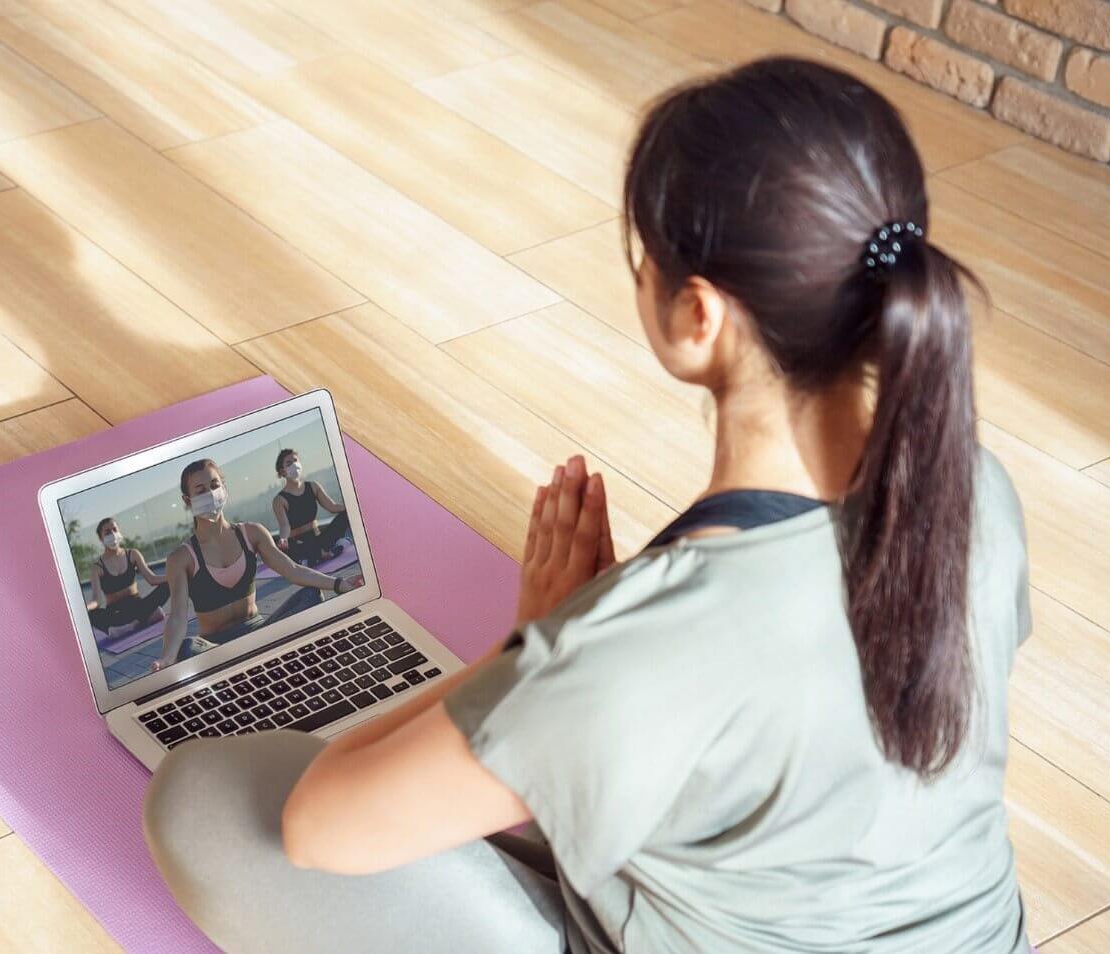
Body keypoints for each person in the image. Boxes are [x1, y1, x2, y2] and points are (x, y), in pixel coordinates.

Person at [142, 57, 1032, 954]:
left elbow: (319, 828)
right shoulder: (970, 493)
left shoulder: (642, 643)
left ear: (697, 316)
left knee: (208, 803)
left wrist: (534, 644)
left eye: (641, 257)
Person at [150, 458, 365, 672]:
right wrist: (167, 657)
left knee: (311, 595)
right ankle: (268, 665)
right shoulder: (181, 558)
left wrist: (339, 583)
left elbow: (293, 570)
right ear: (187, 501)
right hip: (217, 650)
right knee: (187, 647)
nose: (210, 493)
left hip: (261, 632)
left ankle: (270, 663)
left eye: (215, 485)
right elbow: (177, 615)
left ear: (224, 489)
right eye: (200, 490)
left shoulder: (251, 533)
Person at [85, 518, 168, 635]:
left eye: (114, 529)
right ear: (100, 538)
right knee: (91, 614)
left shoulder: (132, 554)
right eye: (107, 532)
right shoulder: (97, 567)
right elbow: (96, 601)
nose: (112, 534)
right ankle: (145, 618)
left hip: (138, 606)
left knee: (168, 584)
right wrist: (85, 608)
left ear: (119, 531)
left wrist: (174, 576)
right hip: (116, 612)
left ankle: (128, 625)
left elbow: (152, 579)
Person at [271, 448, 352, 565]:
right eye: (289, 463)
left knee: (345, 515)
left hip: (319, 538)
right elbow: (284, 526)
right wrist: (283, 539)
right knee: (284, 551)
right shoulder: (279, 500)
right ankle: (327, 551)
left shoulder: (313, 486)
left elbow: (332, 507)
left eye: (295, 461)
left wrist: (352, 508)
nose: (294, 465)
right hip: (299, 543)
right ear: (282, 472)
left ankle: (316, 556)